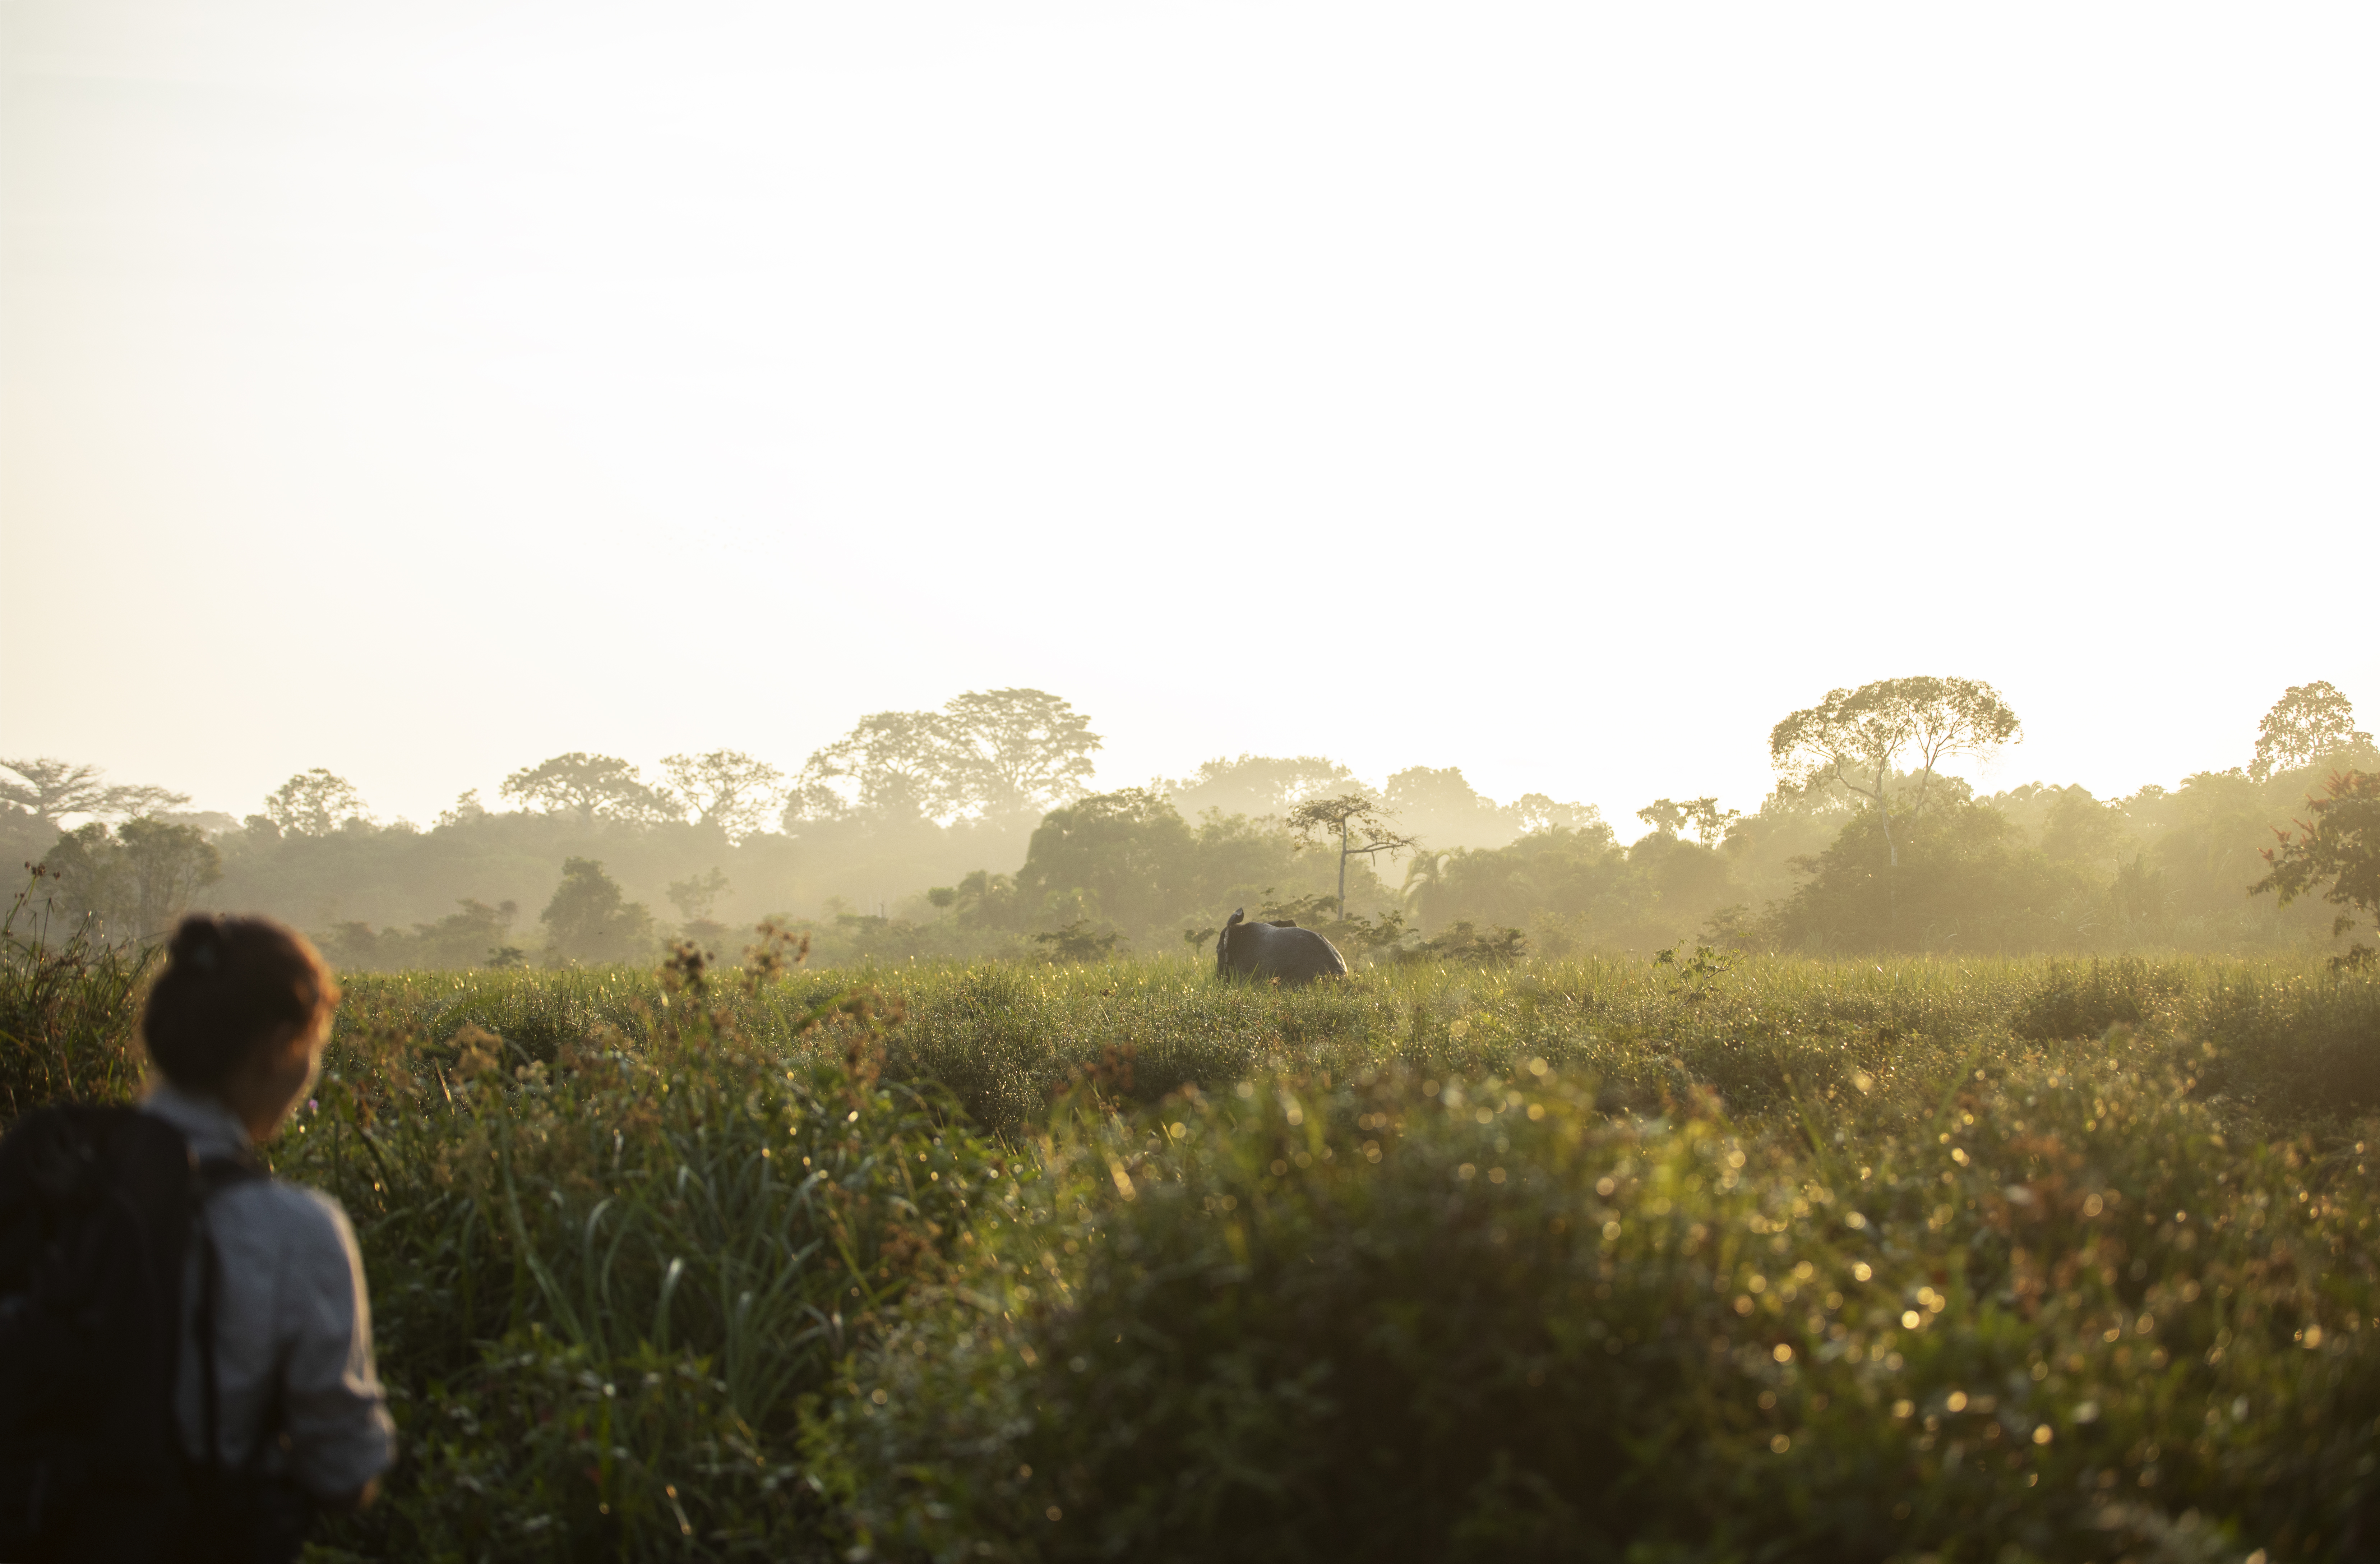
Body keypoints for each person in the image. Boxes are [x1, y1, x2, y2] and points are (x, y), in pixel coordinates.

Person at [137, 913, 396, 1559]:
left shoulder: (45, 1177)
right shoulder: (294, 1229)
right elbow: (344, 1471)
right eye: (314, 1045)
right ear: (279, 1045)